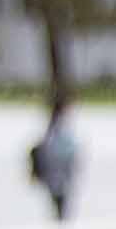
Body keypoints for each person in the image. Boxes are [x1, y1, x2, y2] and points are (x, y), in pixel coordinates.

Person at [28, 94, 81, 222]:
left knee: (59, 191)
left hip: (58, 163)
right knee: (59, 191)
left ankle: (60, 218)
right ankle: (60, 218)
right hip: (57, 163)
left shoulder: (57, 127)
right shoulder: (57, 128)